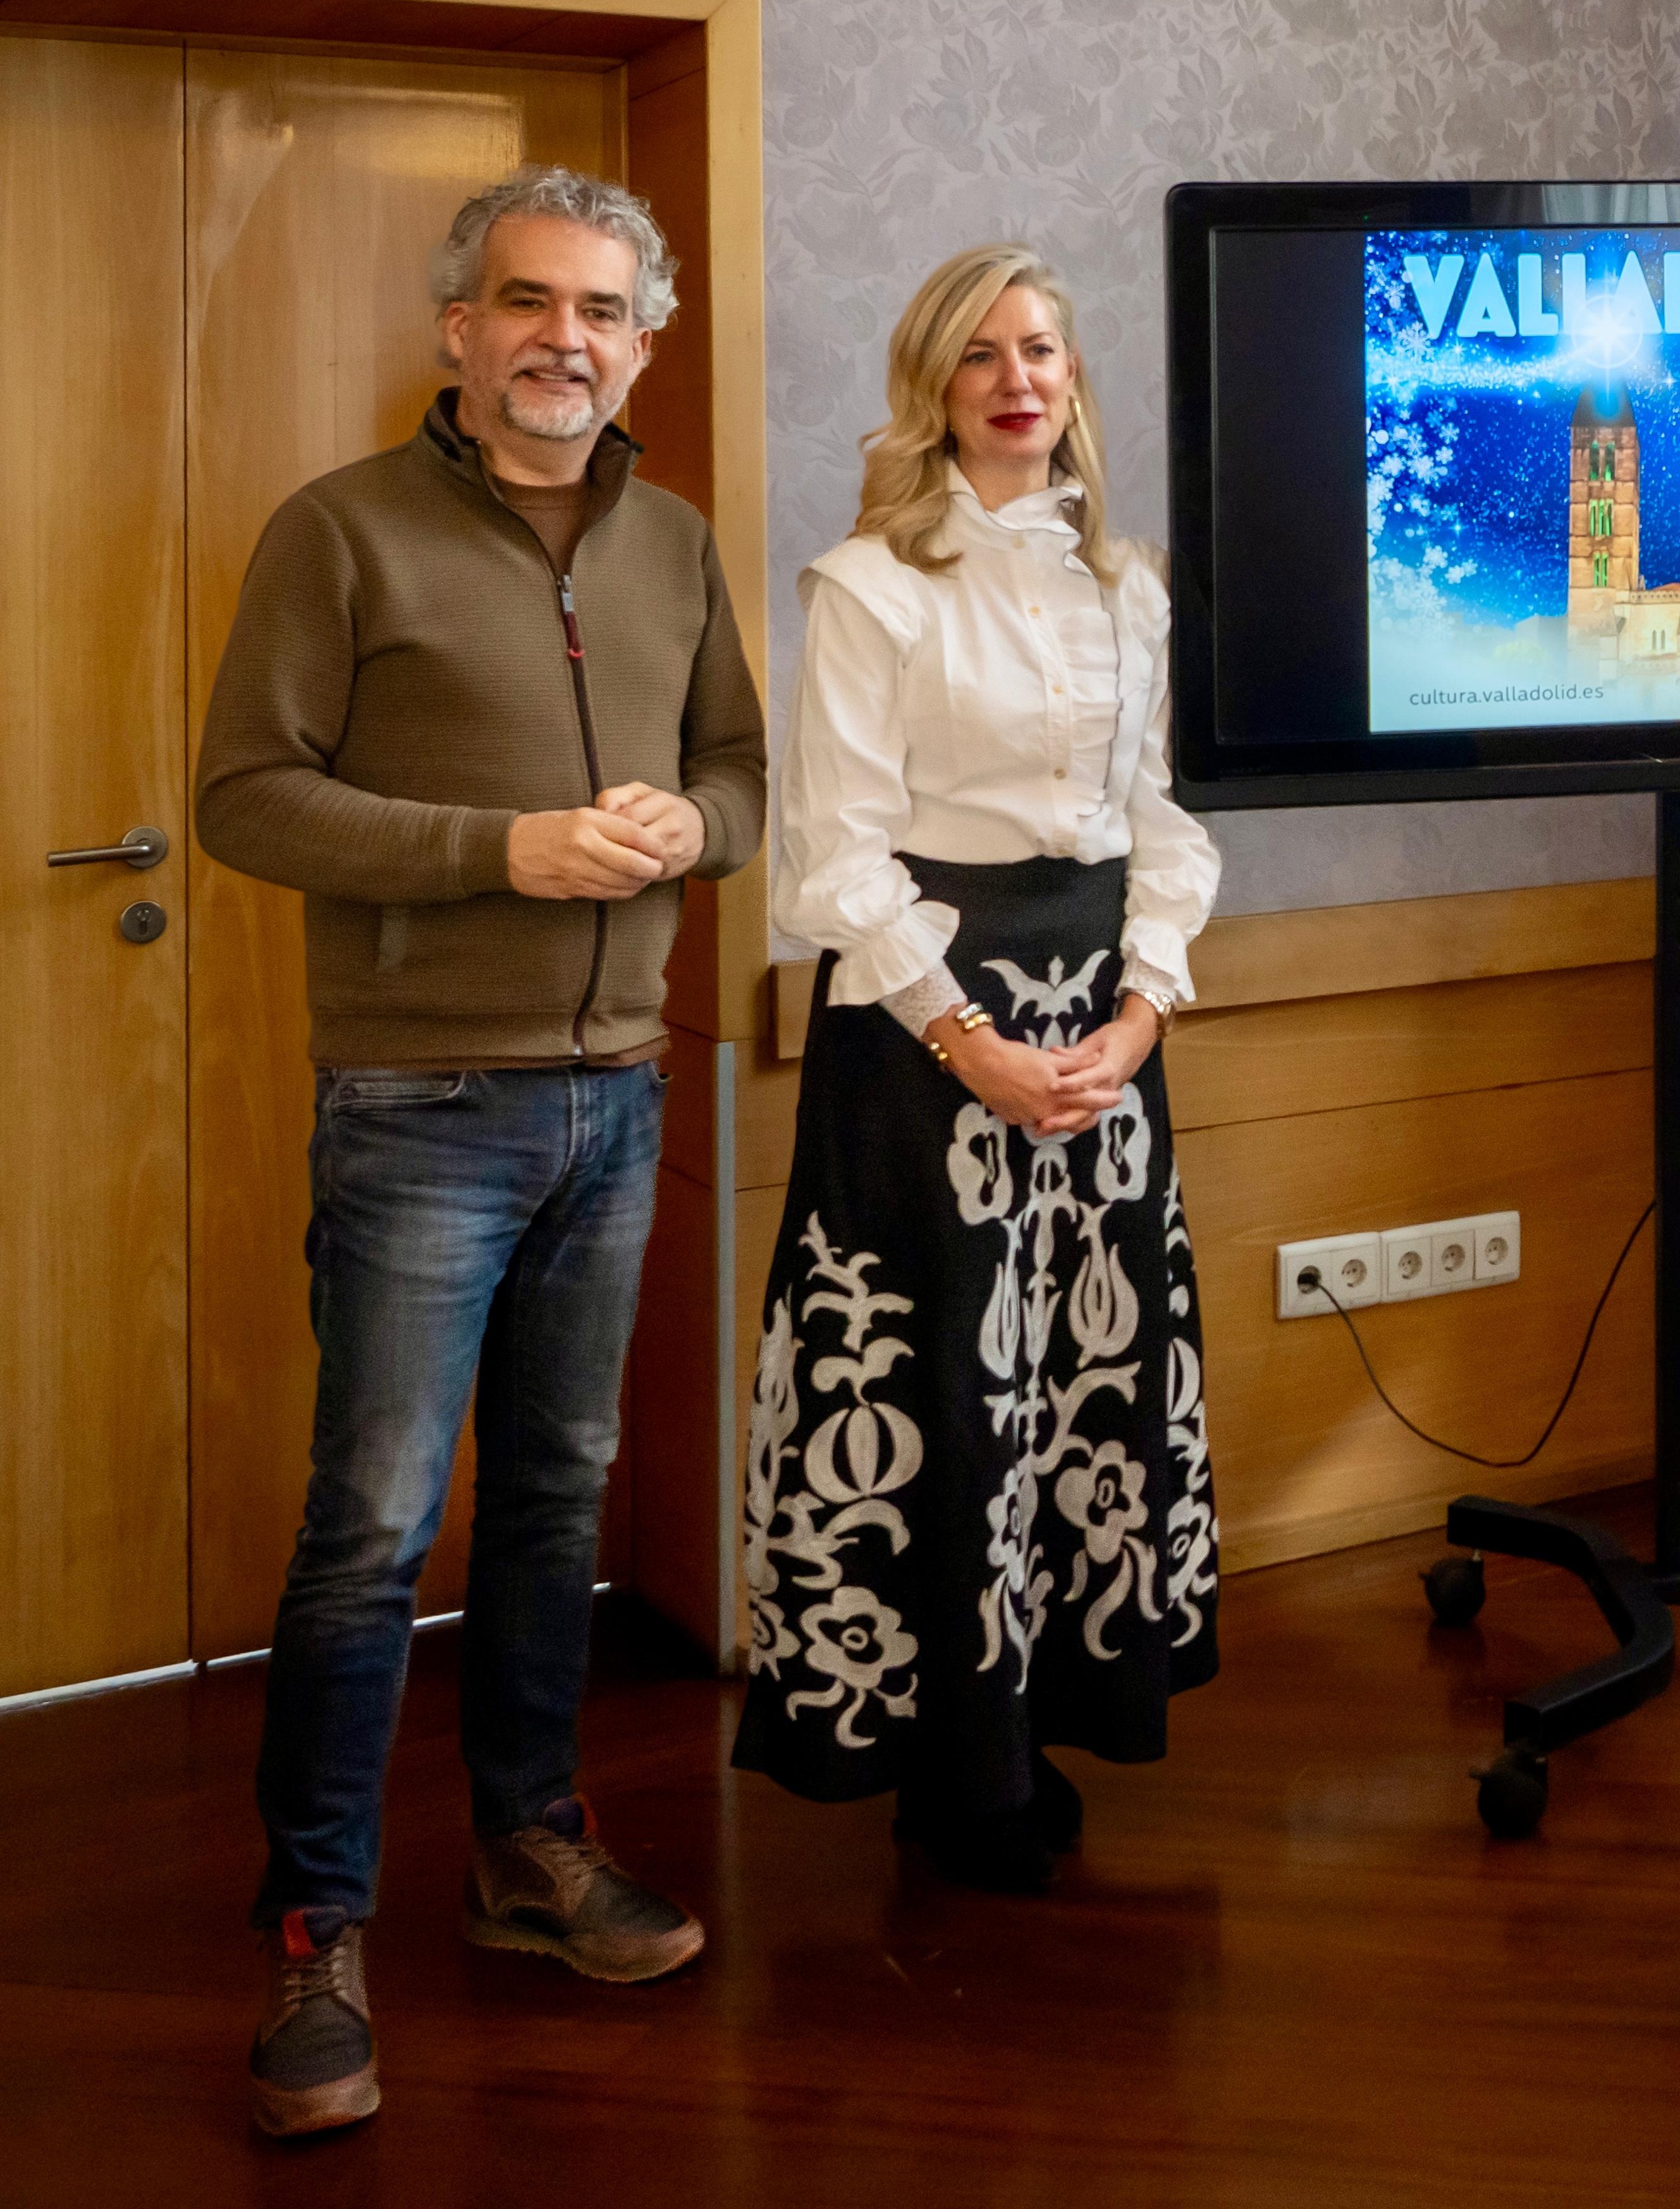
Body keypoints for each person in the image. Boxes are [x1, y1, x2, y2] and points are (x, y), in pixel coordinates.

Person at [196, 164, 768, 2139]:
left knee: (552, 1502)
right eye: (528, 301)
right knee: (370, 1528)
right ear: (459, 327)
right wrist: (498, 850)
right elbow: (247, 797)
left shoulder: (674, 543)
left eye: (602, 311)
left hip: (620, 1096)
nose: (563, 339)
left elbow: (741, 771)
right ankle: (313, 1930)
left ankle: (528, 1846)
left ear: (643, 345)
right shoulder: (339, 529)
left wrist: (694, 827)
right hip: (419, 1106)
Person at [739, 245, 1222, 1895]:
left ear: (1073, 381)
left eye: (1044, 351)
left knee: (1083, 1387)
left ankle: (1043, 1728)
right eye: (981, 354)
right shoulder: (868, 584)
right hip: (922, 1036)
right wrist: (975, 1047)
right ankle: (951, 1767)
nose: (1019, 379)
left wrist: (1139, 1021)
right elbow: (832, 857)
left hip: (1099, 1032)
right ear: (933, 386)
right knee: (943, 1389)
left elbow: (1161, 822)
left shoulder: (1130, 585)